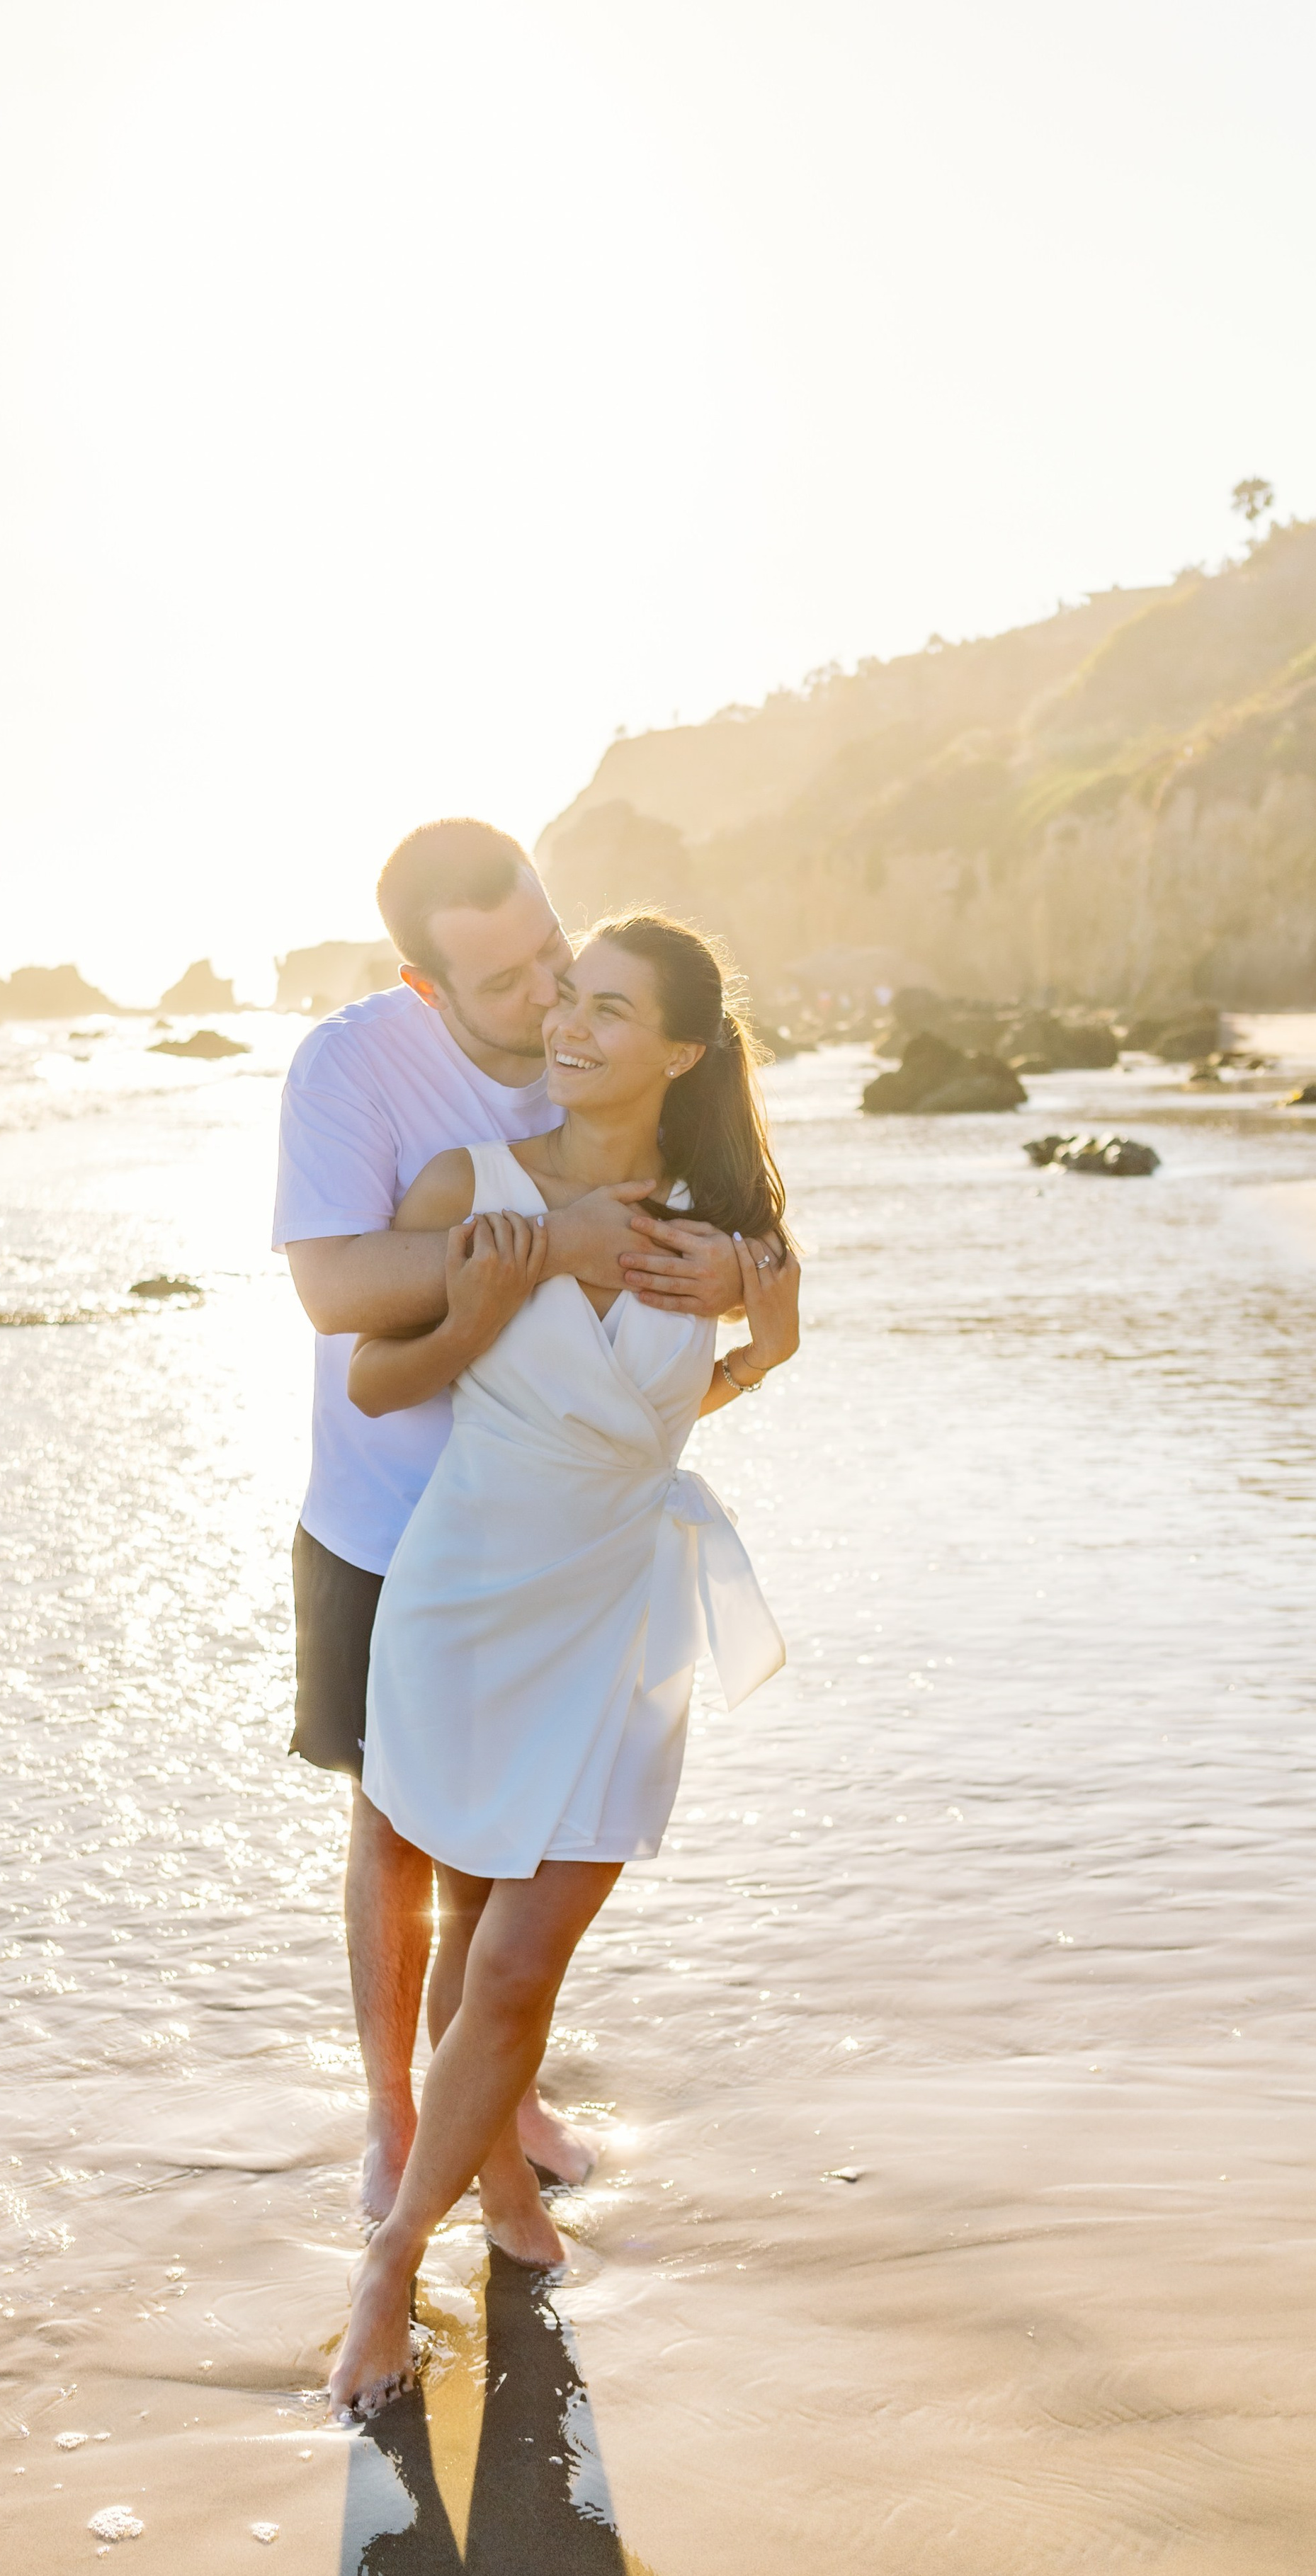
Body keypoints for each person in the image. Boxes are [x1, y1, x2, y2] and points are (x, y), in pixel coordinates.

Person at [327, 910, 802, 2420]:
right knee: (474, 1932)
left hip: (615, 1623)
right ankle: (490, 2212)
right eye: (564, 1003)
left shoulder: (721, 1222)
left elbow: (701, 1386)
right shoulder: (474, 1186)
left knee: (518, 1962)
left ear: (678, 1048)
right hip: (465, 1609)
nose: (570, 1027)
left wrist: (748, 1353)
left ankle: (392, 2259)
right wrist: (476, 1305)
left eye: (609, 1009)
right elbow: (375, 1373)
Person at [272, 823, 751, 2220]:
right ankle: (393, 2112)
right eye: (506, 981)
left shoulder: (589, 1048)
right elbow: (336, 1292)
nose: (548, 996)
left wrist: (741, 1278)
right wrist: (548, 1244)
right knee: (397, 1821)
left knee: (528, 1821)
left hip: (554, 1523)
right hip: (385, 1509)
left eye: (554, 950)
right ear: (428, 989)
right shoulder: (354, 1067)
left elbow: (705, 1221)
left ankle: (497, 2092)